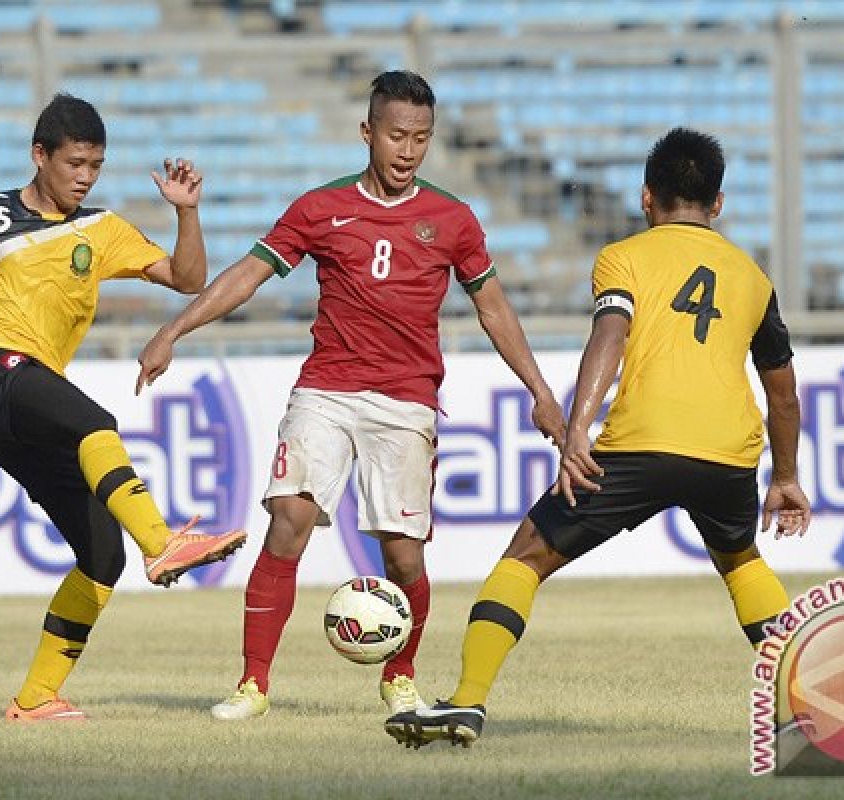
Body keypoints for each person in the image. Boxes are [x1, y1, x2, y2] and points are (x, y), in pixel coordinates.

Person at [136, 70, 566, 721]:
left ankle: (400, 674)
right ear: (368, 132)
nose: (408, 150)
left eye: (421, 138)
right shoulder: (319, 207)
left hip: (406, 401)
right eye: (397, 135)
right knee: (289, 520)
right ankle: (253, 684)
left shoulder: (452, 219)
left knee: (402, 553)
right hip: (327, 391)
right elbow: (250, 273)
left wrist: (541, 392)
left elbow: (496, 309)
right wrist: (174, 329)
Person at [384, 127, 812, 748]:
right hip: (728, 454)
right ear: (717, 205)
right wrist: (787, 477)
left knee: (525, 557)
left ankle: (468, 702)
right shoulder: (753, 277)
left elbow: (610, 334)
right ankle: (803, 709)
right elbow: (783, 391)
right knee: (742, 562)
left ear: (646, 198)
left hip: (641, 441)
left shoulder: (625, 256)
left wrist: (578, 428)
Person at [0, 93, 247, 722]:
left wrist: (188, 214)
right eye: (75, 162)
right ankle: (161, 541)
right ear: (41, 156)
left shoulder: (101, 230)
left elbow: (187, 278)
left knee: (102, 552)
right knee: (94, 423)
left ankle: (35, 698)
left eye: (96, 166)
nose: (85, 176)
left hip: (23, 405)